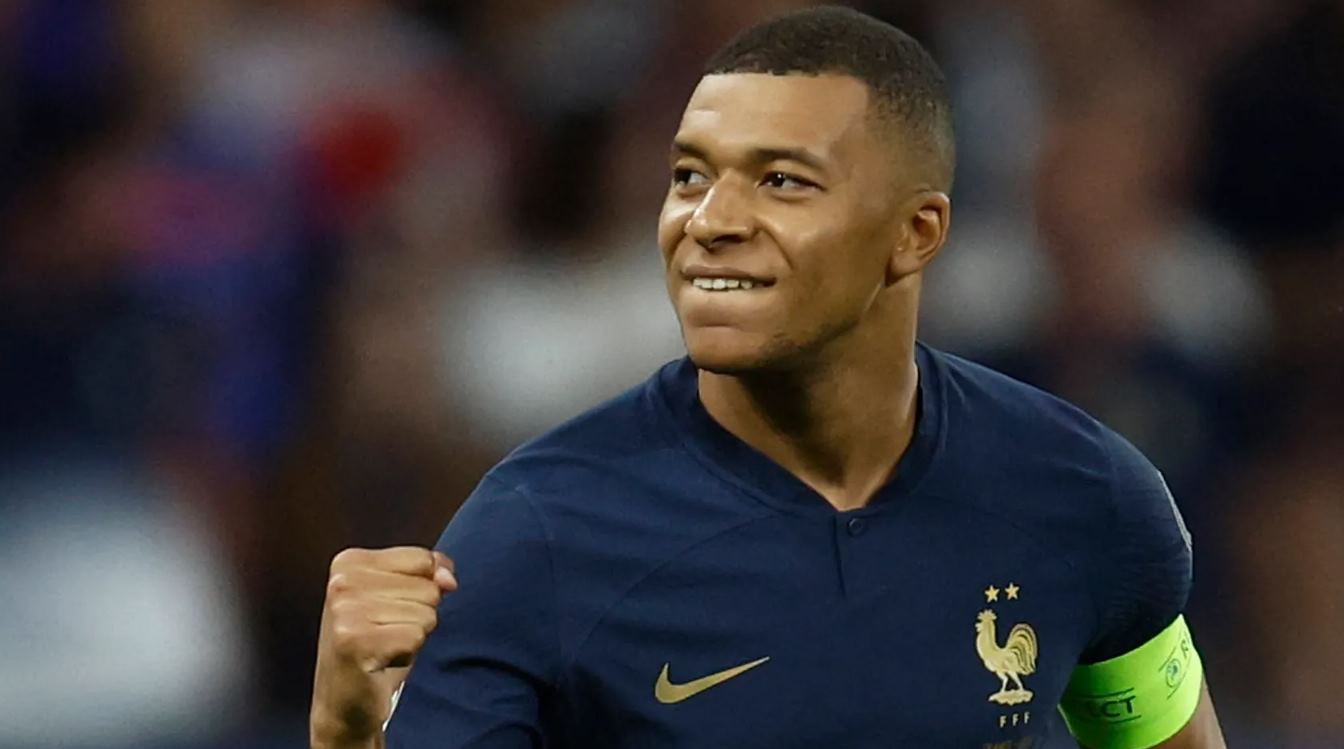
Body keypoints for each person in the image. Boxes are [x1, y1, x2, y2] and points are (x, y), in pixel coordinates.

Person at [309, 7, 1227, 748]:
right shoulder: (535, 535)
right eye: (689, 176)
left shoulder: (1083, 495)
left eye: (782, 180)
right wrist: (347, 732)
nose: (708, 221)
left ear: (915, 234)